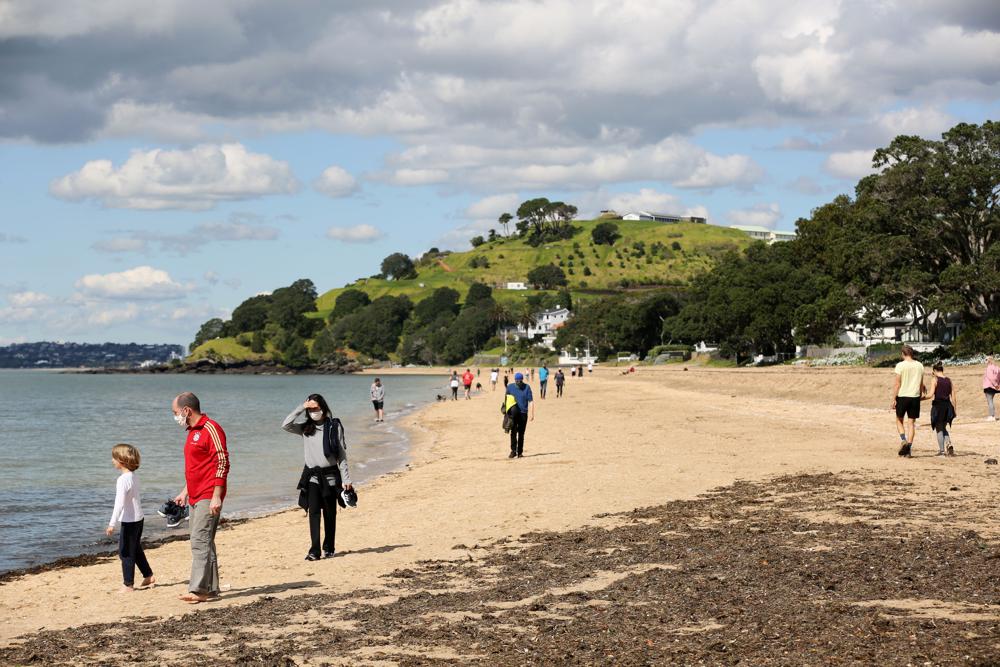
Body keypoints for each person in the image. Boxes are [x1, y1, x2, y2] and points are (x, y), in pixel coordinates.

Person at [172, 392, 229, 604]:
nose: (175, 417)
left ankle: (197, 589)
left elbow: (221, 462)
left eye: (175, 412)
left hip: (209, 493)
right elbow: (198, 467)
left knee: (199, 540)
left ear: (186, 410)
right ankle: (211, 588)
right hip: (195, 494)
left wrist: (216, 496)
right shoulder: (192, 432)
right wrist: (184, 491)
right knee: (206, 541)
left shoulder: (210, 428)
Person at [283, 395, 353, 561]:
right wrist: (301, 407)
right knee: (314, 513)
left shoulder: (334, 427)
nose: (313, 412)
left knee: (330, 514)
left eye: (316, 408)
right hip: (312, 477)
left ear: (323, 408)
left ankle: (329, 547)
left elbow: (341, 455)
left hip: (330, 476)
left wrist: (346, 479)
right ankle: (314, 551)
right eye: (310, 409)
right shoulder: (305, 428)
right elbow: (285, 425)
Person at [106, 444, 154, 593]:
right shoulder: (133, 477)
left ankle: (128, 584)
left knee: (125, 552)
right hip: (139, 518)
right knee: (136, 549)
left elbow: (118, 503)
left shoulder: (122, 480)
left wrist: (112, 523)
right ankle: (148, 575)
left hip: (130, 520)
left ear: (122, 460)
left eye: (114, 458)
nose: (112, 461)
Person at [891, 345, 925, 458]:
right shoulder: (920, 365)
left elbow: (897, 384)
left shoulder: (900, 365)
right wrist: (919, 395)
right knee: (911, 423)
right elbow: (921, 383)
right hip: (915, 397)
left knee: (899, 419)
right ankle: (909, 448)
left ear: (903, 354)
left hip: (903, 396)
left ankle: (903, 440)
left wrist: (893, 399)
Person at [928, 362, 957, 456]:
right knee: (944, 427)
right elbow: (953, 396)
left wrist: (920, 398)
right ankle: (949, 444)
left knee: (939, 429)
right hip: (948, 406)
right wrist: (954, 409)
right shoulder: (949, 380)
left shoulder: (935, 379)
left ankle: (941, 451)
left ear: (935, 371)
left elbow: (931, 394)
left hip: (938, 406)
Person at [505, 372, 535, 458]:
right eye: (517, 381)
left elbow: (531, 401)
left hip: (523, 413)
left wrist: (532, 414)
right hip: (513, 414)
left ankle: (520, 452)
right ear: (515, 380)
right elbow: (506, 400)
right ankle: (513, 451)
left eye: (520, 381)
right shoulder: (510, 387)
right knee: (513, 432)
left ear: (522, 380)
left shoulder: (527, 387)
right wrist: (506, 413)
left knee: (521, 433)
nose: (518, 383)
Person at [983, 356, 1000, 422]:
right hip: (995, 386)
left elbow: (991, 377)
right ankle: (992, 415)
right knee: (991, 401)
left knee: (990, 401)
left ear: (989, 360)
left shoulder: (989, 368)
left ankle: (992, 416)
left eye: (986, 359)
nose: (985, 361)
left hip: (989, 386)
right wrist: (997, 384)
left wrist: (996, 385)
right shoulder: (997, 367)